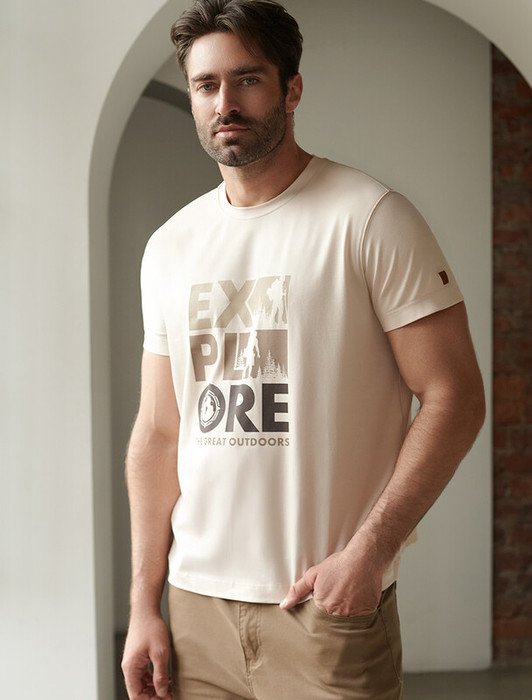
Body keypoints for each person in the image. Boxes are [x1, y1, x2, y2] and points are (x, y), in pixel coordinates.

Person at [121, 1, 485, 698]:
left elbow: (455, 396)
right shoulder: (170, 246)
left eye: (247, 79)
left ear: (291, 89)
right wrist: (144, 604)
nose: (225, 103)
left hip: (324, 605)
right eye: (206, 85)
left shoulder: (371, 217)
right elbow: (159, 434)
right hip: (196, 608)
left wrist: (369, 555)